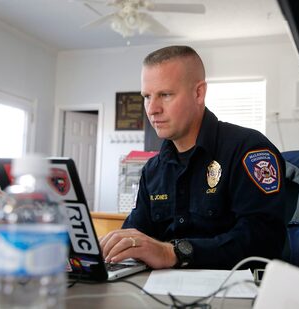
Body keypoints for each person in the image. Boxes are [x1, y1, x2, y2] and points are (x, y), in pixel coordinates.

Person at [100, 45, 288, 270]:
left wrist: (175, 253)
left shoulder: (248, 149)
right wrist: (114, 248)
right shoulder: (153, 169)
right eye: (147, 96)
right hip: (158, 291)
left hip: (229, 291)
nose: (152, 109)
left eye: (165, 95)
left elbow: (263, 239)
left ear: (199, 93)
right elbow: (136, 234)